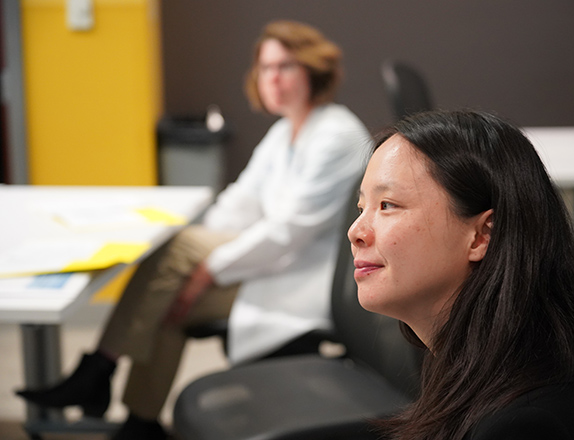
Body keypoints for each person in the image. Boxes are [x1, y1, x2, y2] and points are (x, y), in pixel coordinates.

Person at [16, 20, 370, 440]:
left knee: (176, 276)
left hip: (306, 279)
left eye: (286, 67)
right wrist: (196, 252)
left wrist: (205, 268)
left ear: (313, 70)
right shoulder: (285, 131)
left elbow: (288, 231)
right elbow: (242, 200)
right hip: (274, 262)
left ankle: (102, 375)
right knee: (171, 278)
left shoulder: (336, 134)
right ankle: (136, 418)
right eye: (265, 68)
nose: (272, 78)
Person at [348, 109, 574, 440]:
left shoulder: (521, 426)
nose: (356, 231)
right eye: (361, 208)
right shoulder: (477, 360)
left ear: (483, 235)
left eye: (387, 205)